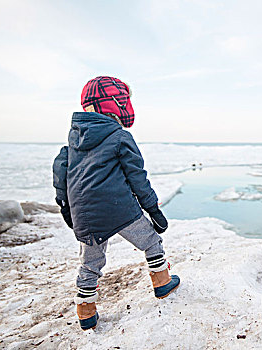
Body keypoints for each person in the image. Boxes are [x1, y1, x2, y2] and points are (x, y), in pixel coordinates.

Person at [52, 76, 180, 331]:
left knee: (90, 262)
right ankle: (162, 282)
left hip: (85, 217)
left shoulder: (73, 142)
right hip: (121, 209)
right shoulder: (119, 137)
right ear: (116, 104)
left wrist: (66, 208)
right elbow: (137, 178)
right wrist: (153, 209)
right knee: (151, 242)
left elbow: (60, 171)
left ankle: (86, 311)